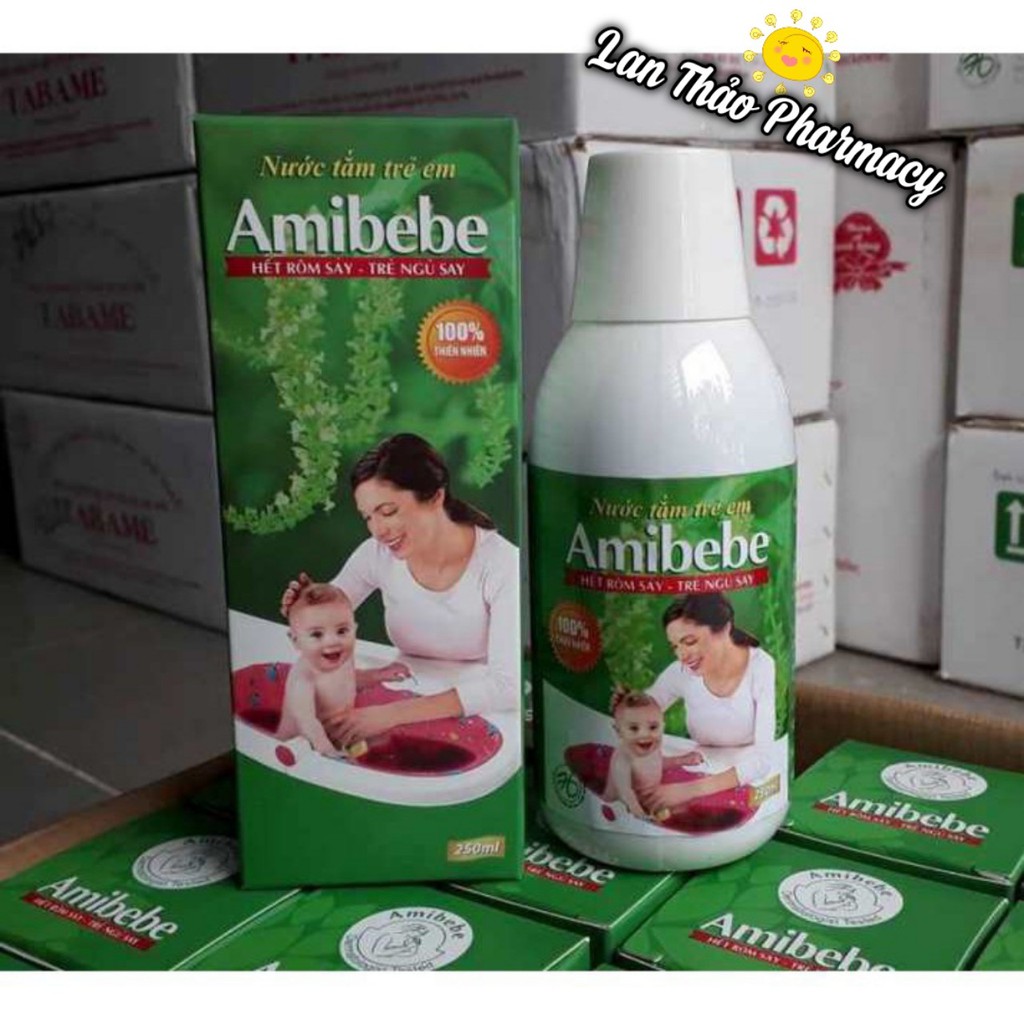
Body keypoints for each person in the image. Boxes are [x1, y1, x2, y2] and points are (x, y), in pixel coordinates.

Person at [281, 433, 518, 748]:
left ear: (435, 496)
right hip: (404, 689)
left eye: (388, 511)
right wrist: (304, 607)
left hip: (480, 712)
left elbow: (507, 686)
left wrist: (391, 714)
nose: (377, 530)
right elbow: (327, 613)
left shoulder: (500, 564)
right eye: (368, 517)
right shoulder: (377, 555)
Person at [637, 593, 777, 817]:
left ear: (724, 629)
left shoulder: (761, 666)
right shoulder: (682, 672)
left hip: (745, 775)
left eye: (689, 642)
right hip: (698, 764)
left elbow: (763, 761)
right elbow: (646, 708)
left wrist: (688, 790)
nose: (682, 656)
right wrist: (629, 706)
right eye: (675, 647)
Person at [276, 581, 359, 759]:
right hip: (299, 749)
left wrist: (379, 675)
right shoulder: (303, 678)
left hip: (335, 737)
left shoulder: (343, 658)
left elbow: (351, 681)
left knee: (381, 741)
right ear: (295, 640)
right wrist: (329, 752)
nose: (332, 641)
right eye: (317, 634)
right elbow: (307, 722)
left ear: (355, 629)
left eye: (342, 631)